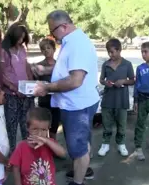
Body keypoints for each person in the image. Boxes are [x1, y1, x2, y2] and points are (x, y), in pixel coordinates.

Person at [33, 10, 99, 185]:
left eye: (52, 31)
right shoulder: (73, 41)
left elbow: (75, 80)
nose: (52, 36)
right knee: (82, 143)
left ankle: (78, 181)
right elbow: (69, 69)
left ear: (63, 26)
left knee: (78, 148)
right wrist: (47, 71)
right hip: (79, 103)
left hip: (77, 106)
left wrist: (47, 87)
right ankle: (83, 169)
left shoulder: (77, 44)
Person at [97, 38, 134, 157]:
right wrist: (105, 82)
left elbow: (133, 80)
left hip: (122, 100)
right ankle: (105, 143)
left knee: (121, 124)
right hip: (108, 99)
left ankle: (121, 143)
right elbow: (101, 80)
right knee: (107, 123)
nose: (110, 54)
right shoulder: (106, 64)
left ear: (119, 50)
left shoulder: (127, 64)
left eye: (113, 52)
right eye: (109, 52)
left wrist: (123, 81)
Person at [9, 107, 66, 185]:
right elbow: (16, 168)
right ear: (27, 128)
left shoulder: (49, 144)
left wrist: (46, 141)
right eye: (35, 129)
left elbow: (62, 153)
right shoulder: (21, 146)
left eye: (43, 130)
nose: (39, 134)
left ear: (48, 129)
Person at [1, 23, 34, 153]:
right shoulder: (4, 51)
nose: (20, 41)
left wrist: (32, 83)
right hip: (11, 95)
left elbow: (26, 67)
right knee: (12, 125)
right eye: (18, 38)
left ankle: (28, 152)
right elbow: (2, 74)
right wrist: (14, 88)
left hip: (26, 92)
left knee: (27, 124)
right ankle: (13, 153)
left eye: (23, 38)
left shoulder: (22, 49)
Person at [32, 38, 61, 140]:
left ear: (54, 49)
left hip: (57, 100)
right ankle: (43, 148)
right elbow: (34, 83)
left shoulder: (60, 65)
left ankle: (53, 145)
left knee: (54, 126)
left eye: (49, 48)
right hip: (44, 101)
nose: (46, 50)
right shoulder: (39, 66)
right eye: (43, 49)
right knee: (43, 125)